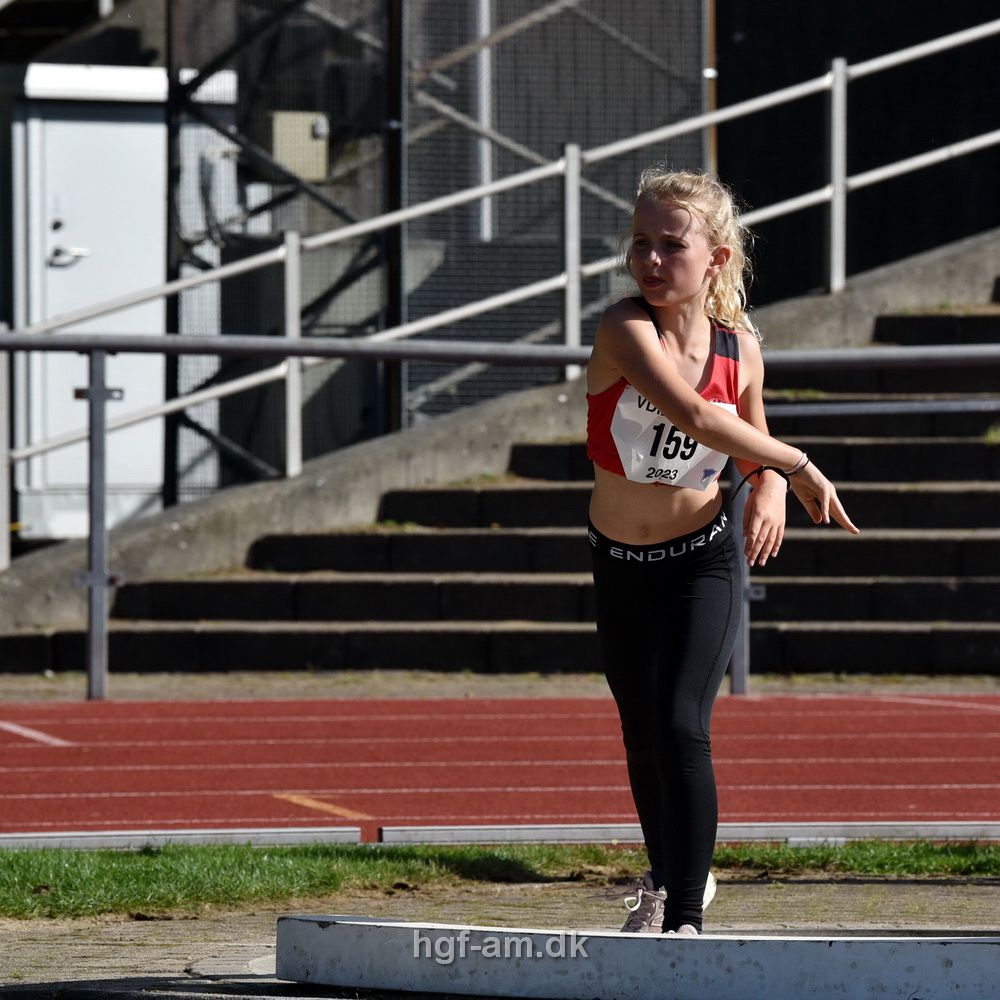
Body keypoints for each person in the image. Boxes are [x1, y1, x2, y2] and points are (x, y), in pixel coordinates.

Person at [586, 166, 858, 936]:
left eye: (671, 245)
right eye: (640, 241)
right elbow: (699, 419)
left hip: (699, 560)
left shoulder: (741, 348)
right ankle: (671, 878)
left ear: (717, 259)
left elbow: (747, 441)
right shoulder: (624, 329)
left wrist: (771, 486)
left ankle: (684, 922)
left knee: (681, 725)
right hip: (618, 562)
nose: (650, 259)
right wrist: (795, 465)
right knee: (641, 733)